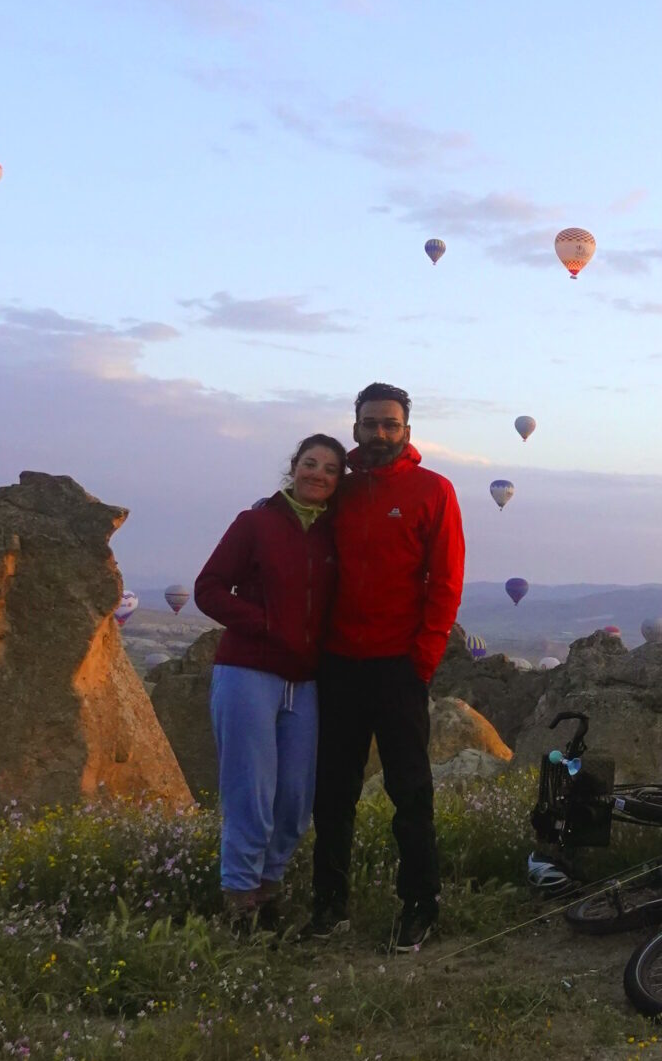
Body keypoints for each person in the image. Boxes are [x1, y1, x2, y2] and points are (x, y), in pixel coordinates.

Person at [303, 382, 465, 952]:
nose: (379, 433)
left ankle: (421, 904)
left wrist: (421, 660)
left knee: (411, 791)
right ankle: (329, 905)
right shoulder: (337, 492)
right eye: (370, 423)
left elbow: (445, 582)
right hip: (339, 663)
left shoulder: (433, 490)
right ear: (355, 427)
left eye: (390, 425)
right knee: (333, 791)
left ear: (407, 432)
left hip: (398, 665)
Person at [193, 433, 344, 931]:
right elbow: (208, 589)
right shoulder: (255, 523)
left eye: (329, 468)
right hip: (247, 672)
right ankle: (240, 903)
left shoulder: (333, 537)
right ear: (293, 467)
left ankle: (268, 889)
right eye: (309, 463)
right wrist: (265, 624)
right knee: (249, 793)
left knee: (295, 799)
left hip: (303, 682)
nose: (317, 474)